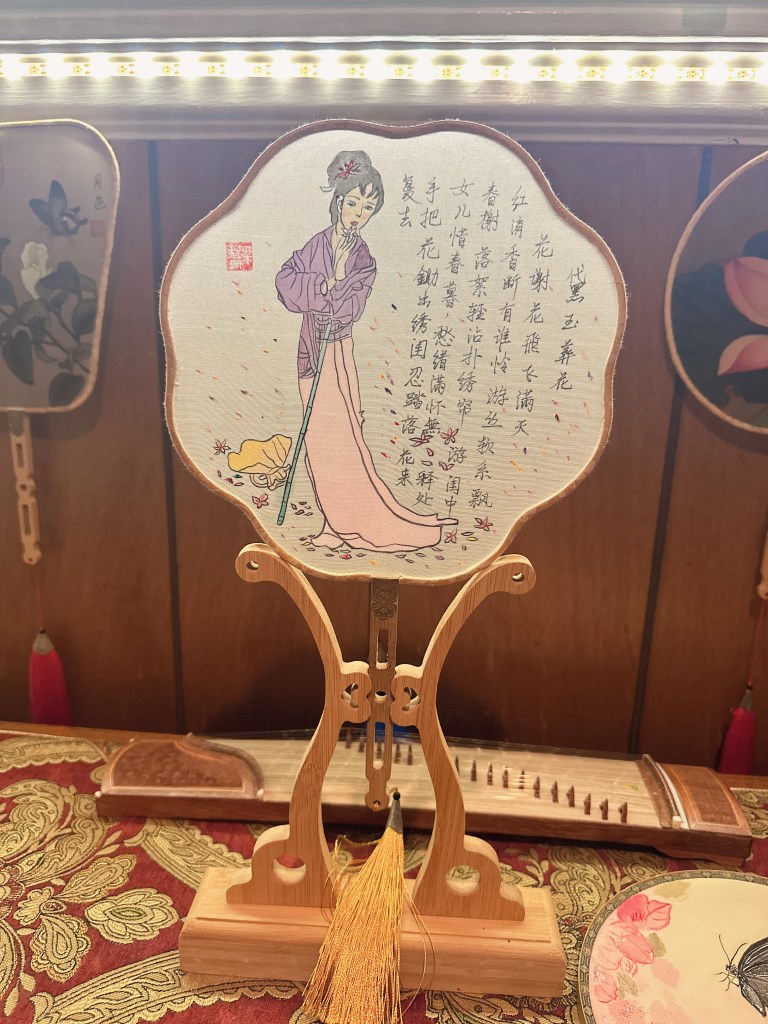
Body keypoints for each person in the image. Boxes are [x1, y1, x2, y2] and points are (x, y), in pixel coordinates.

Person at [275, 150, 454, 552]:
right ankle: (333, 521)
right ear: (339, 200)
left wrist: (333, 285)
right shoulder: (316, 244)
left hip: (337, 349)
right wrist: (322, 287)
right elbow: (285, 281)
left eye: (368, 208)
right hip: (310, 350)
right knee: (320, 437)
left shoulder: (363, 259)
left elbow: (351, 307)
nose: (358, 214)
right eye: (354, 203)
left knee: (344, 432)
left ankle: (352, 521)